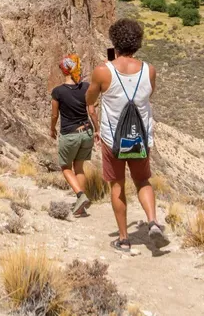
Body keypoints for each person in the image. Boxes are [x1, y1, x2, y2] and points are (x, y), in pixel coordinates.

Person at [86, 18, 167, 254]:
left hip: (113, 141)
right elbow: (149, 96)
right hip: (140, 138)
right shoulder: (149, 70)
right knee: (143, 181)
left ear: (114, 41)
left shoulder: (103, 71)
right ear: (138, 43)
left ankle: (123, 239)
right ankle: (152, 221)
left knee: (117, 185)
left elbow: (90, 101)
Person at [50, 54, 98, 217]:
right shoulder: (85, 87)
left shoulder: (57, 92)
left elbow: (54, 115)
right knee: (79, 168)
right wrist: (97, 130)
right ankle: (81, 207)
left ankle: (80, 195)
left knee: (65, 167)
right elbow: (91, 110)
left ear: (64, 71)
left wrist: (52, 129)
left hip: (69, 134)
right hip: (86, 132)